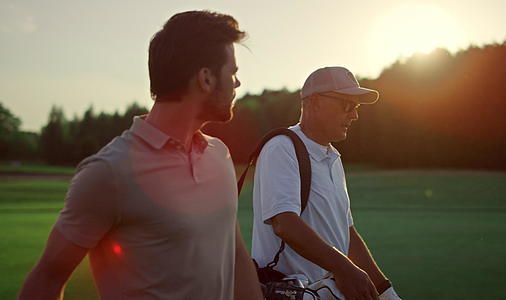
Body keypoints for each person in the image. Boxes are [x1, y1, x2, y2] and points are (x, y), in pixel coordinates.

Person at [19, 10, 262, 300]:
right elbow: (48, 277)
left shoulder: (219, 156)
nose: (237, 83)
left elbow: (234, 253)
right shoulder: (109, 172)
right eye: (232, 72)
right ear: (206, 79)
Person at [251, 66, 402, 300]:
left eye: (356, 107)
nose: (354, 115)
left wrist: (386, 292)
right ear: (314, 101)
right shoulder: (282, 147)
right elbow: (284, 223)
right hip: (289, 292)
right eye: (347, 105)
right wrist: (346, 269)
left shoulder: (333, 158)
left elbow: (346, 233)